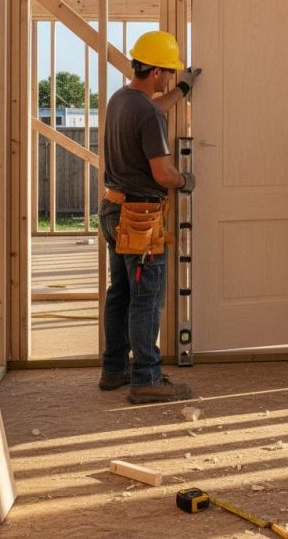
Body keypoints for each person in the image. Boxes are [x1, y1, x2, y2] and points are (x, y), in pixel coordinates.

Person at [98, 30, 199, 404]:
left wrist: (183, 90)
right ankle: (146, 378)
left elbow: (156, 108)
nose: (172, 77)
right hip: (141, 219)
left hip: (114, 209)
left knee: (121, 293)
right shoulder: (147, 113)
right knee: (146, 299)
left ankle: (114, 369)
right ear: (156, 71)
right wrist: (185, 180)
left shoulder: (121, 100)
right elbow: (162, 174)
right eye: (170, 72)